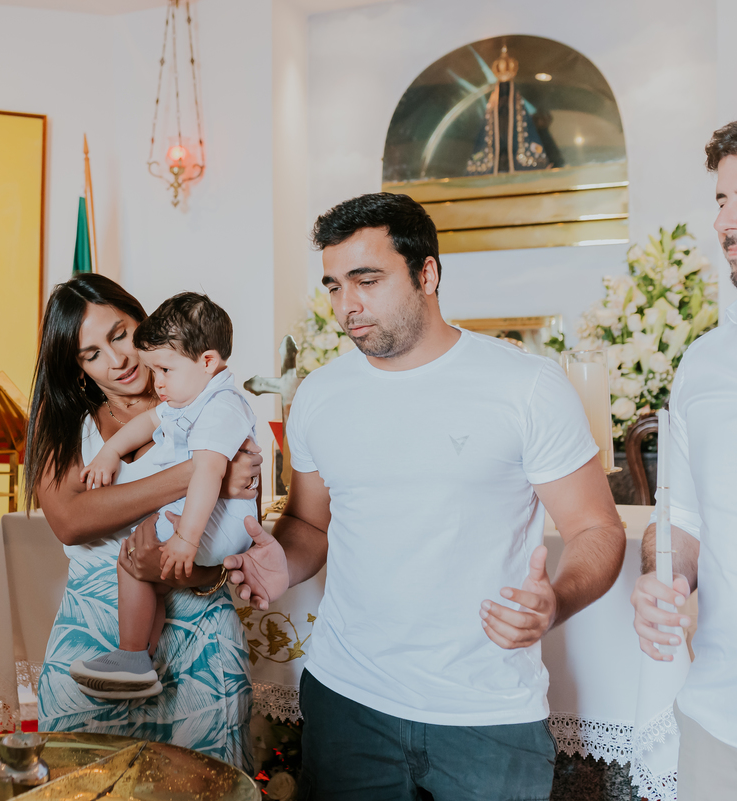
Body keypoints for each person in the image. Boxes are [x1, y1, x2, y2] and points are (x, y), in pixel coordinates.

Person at [225, 193, 626, 800]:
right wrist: (281, 562)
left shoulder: (525, 386)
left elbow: (598, 529)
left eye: (367, 279)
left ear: (428, 274)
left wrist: (556, 603)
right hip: (346, 702)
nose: (346, 305)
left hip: (487, 713)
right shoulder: (320, 396)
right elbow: (310, 524)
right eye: (334, 286)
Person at [24, 273, 262, 767]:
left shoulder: (210, 403)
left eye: (119, 334)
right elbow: (70, 519)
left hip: (199, 635)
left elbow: (235, 542)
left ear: (142, 320)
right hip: (94, 641)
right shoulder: (64, 417)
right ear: (78, 368)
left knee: (203, 788)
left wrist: (175, 568)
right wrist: (204, 471)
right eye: (91, 354)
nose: (117, 361)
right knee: (78, 784)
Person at [71, 292, 258, 698]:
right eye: (155, 369)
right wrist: (108, 452)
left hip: (216, 527)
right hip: (202, 517)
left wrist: (186, 539)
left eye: (164, 370)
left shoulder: (221, 406)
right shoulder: (189, 396)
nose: (157, 382)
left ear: (207, 361)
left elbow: (209, 471)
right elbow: (150, 423)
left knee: (133, 556)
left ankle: (133, 655)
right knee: (146, 572)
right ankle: (140, 660)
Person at [630, 121, 737, 798]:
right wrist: (664, 576)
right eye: (723, 201)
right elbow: (683, 521)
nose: (727, 221)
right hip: (719, 720)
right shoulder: (702, 364)